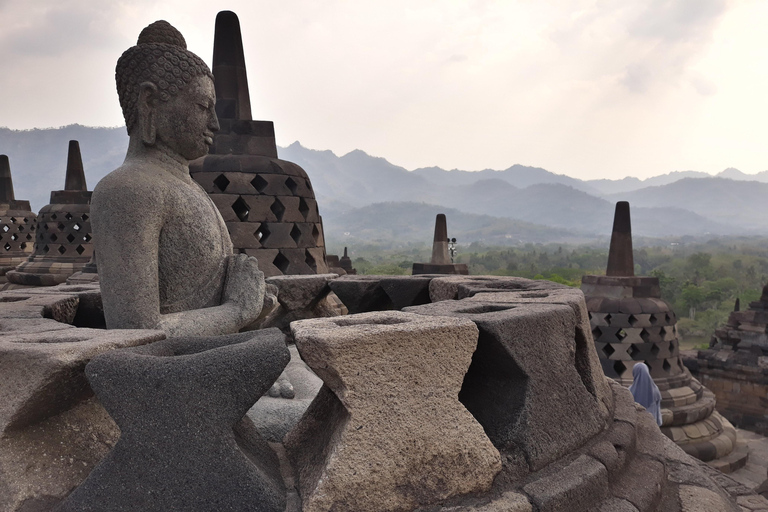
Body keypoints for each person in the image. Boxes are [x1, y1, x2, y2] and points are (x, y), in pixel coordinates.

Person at [91, 20, 266, 337]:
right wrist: (237, 311)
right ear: (150, 102)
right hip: (169, 376)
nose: (214, 124)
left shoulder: (192, 189)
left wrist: (251, 306)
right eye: (203, 106)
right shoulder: (127, 191)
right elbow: (135, 333)